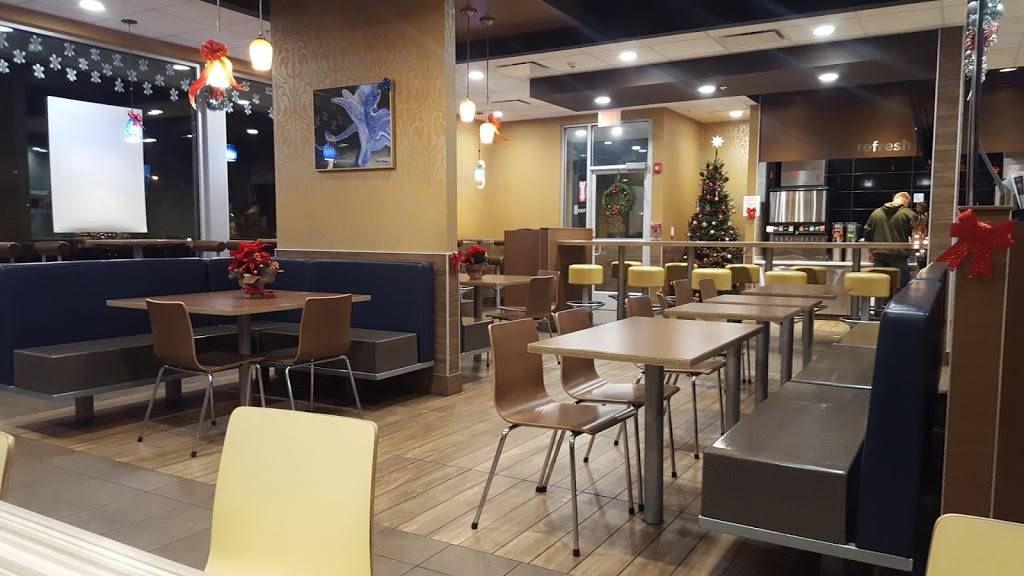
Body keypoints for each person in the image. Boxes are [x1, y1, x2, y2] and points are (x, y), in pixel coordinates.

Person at [863, 191, 915, 290]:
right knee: (902, 291)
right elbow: (917, 233)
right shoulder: (908, 213)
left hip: (879, 257)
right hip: (899, 258)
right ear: (906, 201)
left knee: (880, 289)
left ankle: (881, 300)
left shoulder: (876, 213)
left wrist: (871, 251)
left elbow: (867, 233)